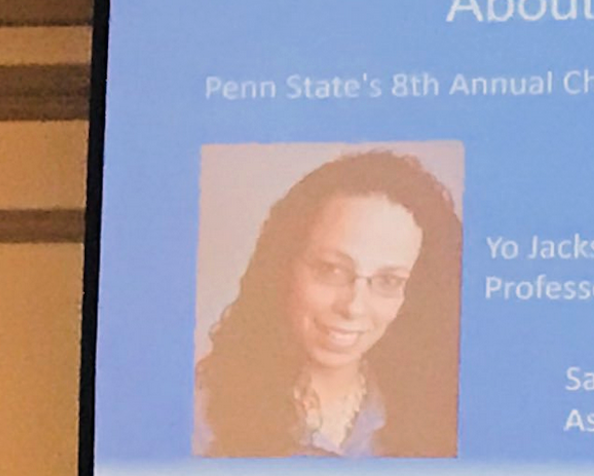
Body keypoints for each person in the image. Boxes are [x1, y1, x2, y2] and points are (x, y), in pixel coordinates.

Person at [194, 149, 463, 457]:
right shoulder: (199, 417)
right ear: (284, 265)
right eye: (332, 269)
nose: (353, 307)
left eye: (389, 281)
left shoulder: (440, 416)